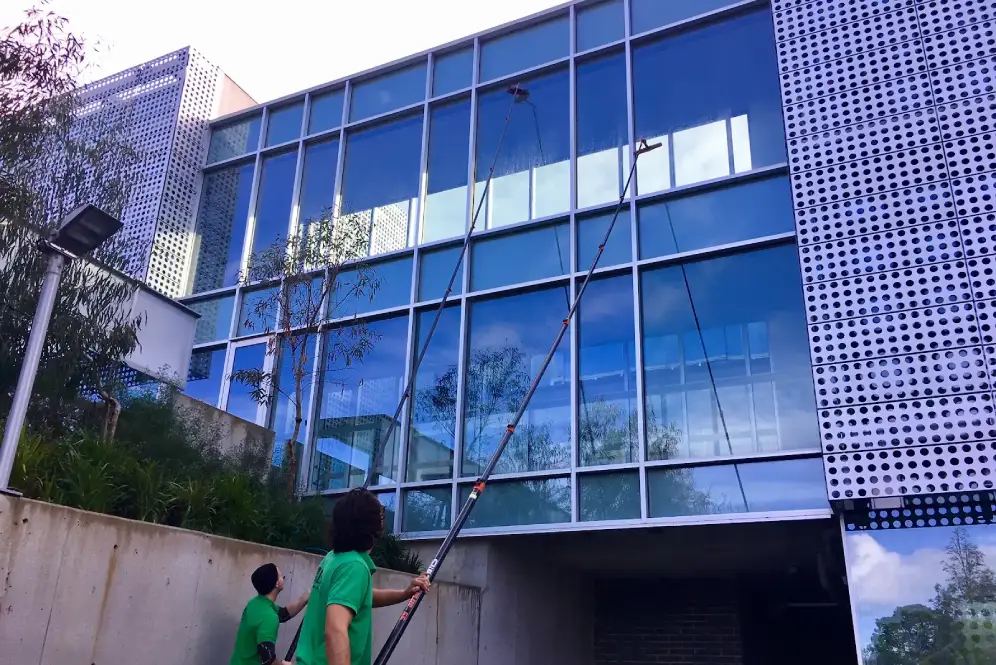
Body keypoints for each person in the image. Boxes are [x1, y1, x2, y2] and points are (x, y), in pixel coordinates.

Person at [295, 488, 431, 665]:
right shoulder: (354, 566)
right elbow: (335, 630)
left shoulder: (333, 558)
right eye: (379, 517)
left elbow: (357, 597)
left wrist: (404, 593)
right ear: (370, 527)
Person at [229, 562, 310, 665]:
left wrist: (303, 599)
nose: (283, 577)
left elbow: (283, 614)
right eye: (280, 575)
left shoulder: (255, 603)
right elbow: (267, 658)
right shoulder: (269, 617)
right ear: (276, 583)